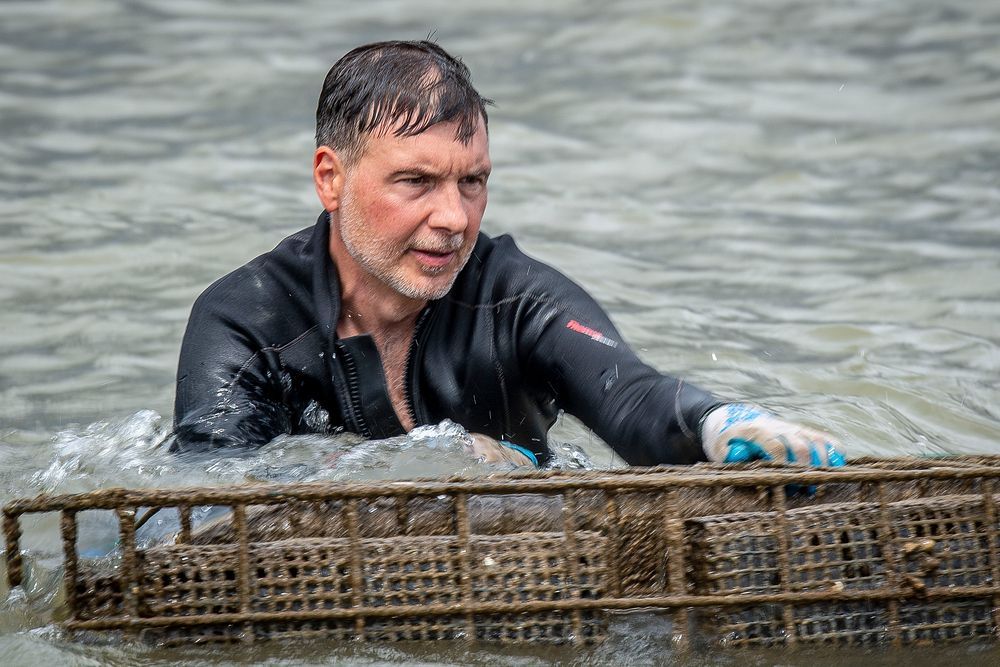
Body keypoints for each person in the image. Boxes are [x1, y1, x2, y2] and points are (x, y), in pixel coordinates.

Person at [171, 40, 844, 470]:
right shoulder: (246, 322)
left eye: (473, 180)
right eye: (416, 182)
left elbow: (631, 396)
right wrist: (426, 467)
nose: (455, 217)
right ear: (330, 178)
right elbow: (209, 500)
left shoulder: (513, 296)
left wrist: (716, 421)